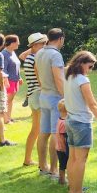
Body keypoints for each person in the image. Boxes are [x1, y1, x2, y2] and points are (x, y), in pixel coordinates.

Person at [63, 51, 97, 193]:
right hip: (81, 123)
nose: (90, 70)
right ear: (81, 63)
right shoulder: (82, 80)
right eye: (90, 66)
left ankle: (73, 188)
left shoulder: (68, 77)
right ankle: (77, 192)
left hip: (71, 120)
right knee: (80, 159)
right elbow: (92, 104)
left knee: (72, 157)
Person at [35, 28, 66, 179]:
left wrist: (43, 85)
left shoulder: (40, 52)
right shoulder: (55, 55)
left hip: (44, 95)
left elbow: (37, 72)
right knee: (55, 133)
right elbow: (59, 78)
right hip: (54, 97)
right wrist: (65, 97)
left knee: (43, 132)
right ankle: (54, 170)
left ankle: (42, 166)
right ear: (60, 39)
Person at [20, 33, 47, 168]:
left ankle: (27, 159)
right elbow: (42, 80)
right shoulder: (36, 58)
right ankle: (43, 164)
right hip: (38, 94)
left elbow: (23, 54)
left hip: (32, 96)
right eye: (43, 43)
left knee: (35, 130)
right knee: (42, 131)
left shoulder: (29, 57)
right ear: (35, 45)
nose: (45, 46)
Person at [1, 35, 22, 124]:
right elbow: (3, 68)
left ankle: (9, 117)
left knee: (11, 100)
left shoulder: (12, 52)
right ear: (12, 43)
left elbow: (16, 65)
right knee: (7, 100)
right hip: (8, 80)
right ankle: (5, 119)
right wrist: (5, 81)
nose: (19, 43)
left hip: (15, 80)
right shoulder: (4, 54)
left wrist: (19, 77)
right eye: (17, 41)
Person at [55, 100, 69, 187]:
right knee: (65, 164)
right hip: (63, 148)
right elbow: (65, 137)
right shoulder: (64, 123)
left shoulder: (59, 120)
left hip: (58, 147)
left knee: (62, 164)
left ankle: (61, 179)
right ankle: (63, 179)